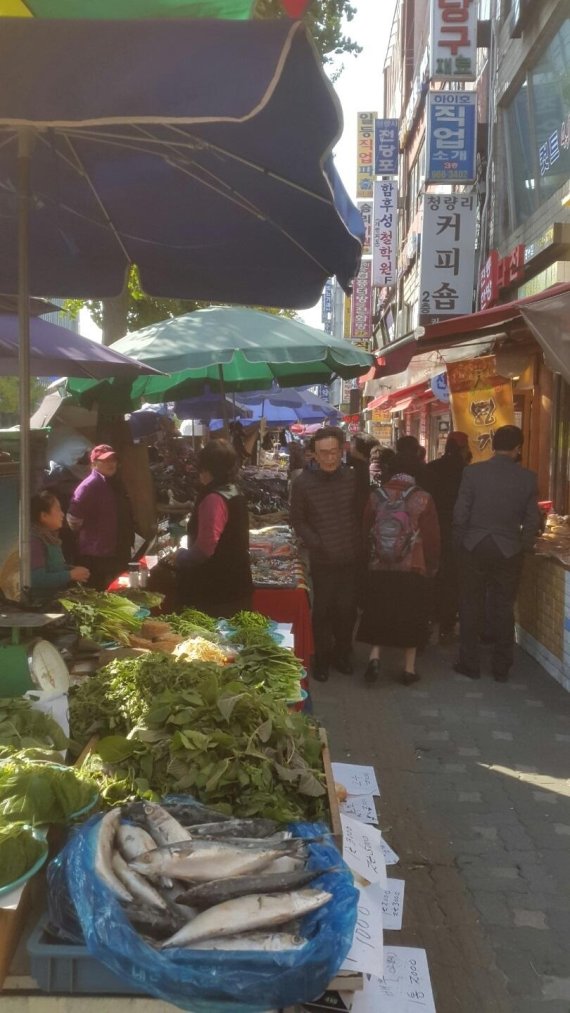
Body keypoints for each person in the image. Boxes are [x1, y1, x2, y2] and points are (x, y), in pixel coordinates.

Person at [453, 425, 541, 682]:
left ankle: (470, 663)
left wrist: (460, 542)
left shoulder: (472, 472)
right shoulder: (527, 478)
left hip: (474, 546)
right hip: (508, 549)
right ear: (518, 449)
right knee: (503, 606)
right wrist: (522, 544)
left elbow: (460, 513)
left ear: (493, 445)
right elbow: (532, 520)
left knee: (470, 604)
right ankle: (501, 666)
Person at [357, 452, 440, 686]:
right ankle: (409, 669)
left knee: (379, 610)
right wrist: (432, 564)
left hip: (379, 565)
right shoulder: (423, 498)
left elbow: (365, 530)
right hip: (412, 566)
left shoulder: (376, 495)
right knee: (410, 616)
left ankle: (374, 657)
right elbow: (432, 538)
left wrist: (369, 557)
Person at [290, 426, 360, 682]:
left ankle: (343, 653)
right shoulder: (303, 483)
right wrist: (315, 542)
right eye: (324, 453)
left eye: (334, 452)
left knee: (347, 609)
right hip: (322, 559)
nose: (329, 458)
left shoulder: (353, 478)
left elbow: (361, 512)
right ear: (314, 455)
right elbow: (297, 519)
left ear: (342, 451)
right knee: (322, 610)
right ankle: (322, 656)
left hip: (351, 555)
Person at [175, 439, 253, 618]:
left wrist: (181, 556)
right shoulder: (234, 490)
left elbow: (205, 548)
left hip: (217, 591)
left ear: (207, 468)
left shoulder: (214, 498)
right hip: (237, 582)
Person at [67, 444, 134, 591]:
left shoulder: (115, 483)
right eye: (105, 460)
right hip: (96, 556)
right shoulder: (89, 486)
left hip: (117, 551)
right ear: (94, 463)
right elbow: (73, 518)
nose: (111, 464)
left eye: (113, 460)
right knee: (99, 595)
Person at [425, 431, 471, 640]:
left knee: (431, 574)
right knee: (452, 578)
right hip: (457, 531)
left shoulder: (431, 468)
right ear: (463, 449)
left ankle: (427, 619)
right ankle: (446, 625)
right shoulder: (467, 472)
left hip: (430, 528)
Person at [30, 491, 90, 597]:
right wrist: (70, 575)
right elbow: (36, 579)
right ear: (44, 515)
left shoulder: (51, 538)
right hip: (41, 604)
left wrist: (71, 570)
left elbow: (53, 568)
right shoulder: (34, 541)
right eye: (58, 509)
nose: (62, 514)